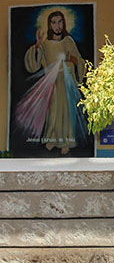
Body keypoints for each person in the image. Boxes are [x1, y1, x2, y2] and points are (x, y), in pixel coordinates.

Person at [15, 10, 88, 155]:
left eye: (60, 22)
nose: (57, 26)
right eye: (54, 22)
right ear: (49, 25)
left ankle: (67, 142)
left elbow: (79, 61)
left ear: (64, 23)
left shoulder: (68, 41)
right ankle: (52, 140)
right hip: (52, 83)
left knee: (67, 113)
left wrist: (72, 60)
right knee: (53, 113)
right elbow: (33, 65)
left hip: (67, 83)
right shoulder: (45, 44)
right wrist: (37, 45)